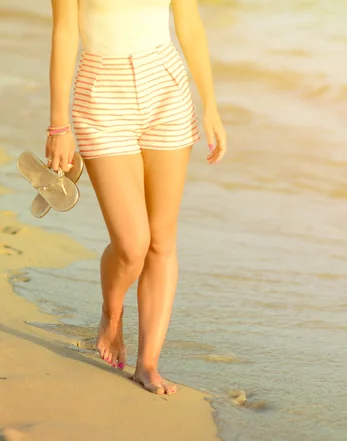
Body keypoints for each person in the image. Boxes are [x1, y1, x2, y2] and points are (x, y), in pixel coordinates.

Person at [47, 0, 227, 395]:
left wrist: (210, 103)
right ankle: (112, 315)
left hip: (166, 88)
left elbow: (189, 23)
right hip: (100, 95)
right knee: (132, 244)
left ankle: (148, 364)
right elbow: (64, 32)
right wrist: (58, 125)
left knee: (161, 240)